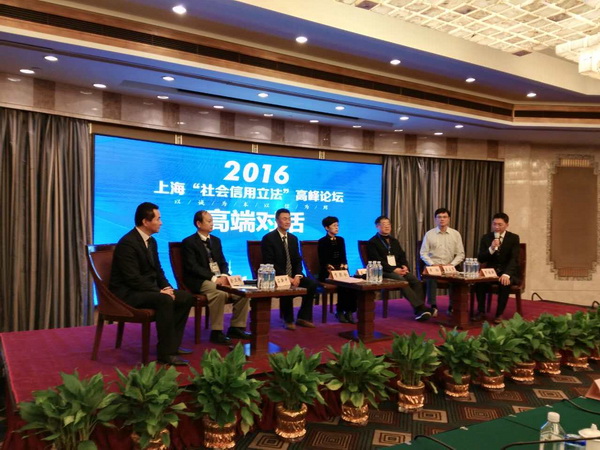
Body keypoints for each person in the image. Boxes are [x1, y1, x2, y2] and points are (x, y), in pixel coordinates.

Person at [109, 202, 195, 366]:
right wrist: (159, 291)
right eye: (158, 219)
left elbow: (158, 270)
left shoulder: (152, 242)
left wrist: (167, 287)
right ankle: (166, 353)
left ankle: (172, 344)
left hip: (146, 289)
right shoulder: (128, 243)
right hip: (128, 292)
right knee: (164, 299)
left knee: (185, 297)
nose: (161, 223)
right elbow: (132, 278)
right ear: (145, 221)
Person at [181, 210, 251, 345]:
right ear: (199, 224)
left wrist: (224, 275)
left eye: (212, 221)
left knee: (242, 292)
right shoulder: (189, 242)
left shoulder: (216, 241)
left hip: (219, 278)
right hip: (199, 280)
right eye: (209, 221)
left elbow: (223, 262)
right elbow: (192, 267)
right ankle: (216, 332)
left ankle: (236, 327)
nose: (212, 224)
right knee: (219, 294)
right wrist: (214, 279)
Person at [367, 215, 432, 321]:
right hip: (383, 271)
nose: (387, 226)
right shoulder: (372, 242)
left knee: (415, 281)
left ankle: (419, 310)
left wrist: (404, 266)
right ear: (377, 226)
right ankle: (420, 308)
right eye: (384, 224)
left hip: (398, 270)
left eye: (388, 224)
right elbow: (377, 261)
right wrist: (394, 270)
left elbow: (402, 256)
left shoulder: (394, 241)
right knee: (401, 281)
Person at [261, 208, 318, 330]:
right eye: (284, 219)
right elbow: (269, 262)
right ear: (277, 220)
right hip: (276, 276)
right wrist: (287, 277)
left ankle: (303, 317)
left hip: (293, 275)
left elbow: (297, 259)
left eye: (289, 219)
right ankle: (288, 319)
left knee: (312, 284)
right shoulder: (269, 238)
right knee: (286, 285)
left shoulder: (293, 238)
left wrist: (297, 275)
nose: (287, 221)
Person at [474, 212, 521, 324]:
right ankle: (481, 311)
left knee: (504, 283)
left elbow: (514, 259)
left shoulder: (513, 238)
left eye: (500, 224)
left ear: (507, 225)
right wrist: (491, 248)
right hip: (490, 272)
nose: (496, 227)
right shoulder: (486, 237)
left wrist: (507, 274)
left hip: (507, 272)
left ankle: (499, 314)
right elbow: (481, 258)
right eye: (494, 224)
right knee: (479, 283)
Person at [420, 208, 465, 315]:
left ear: (449, 219)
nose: (442, 219)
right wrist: (433, 264)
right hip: (434, 266)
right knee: (431, 277)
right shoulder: (429, 234)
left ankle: (452, 306)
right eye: (439, 217)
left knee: (456, 278)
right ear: (435, 219)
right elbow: (423, 253)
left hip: (450, 266)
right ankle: (433, 306)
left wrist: (451, 264)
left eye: (444, 217)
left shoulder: (455, 234)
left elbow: (461, 254)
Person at [317, 216, 357, 324]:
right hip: (327, 272)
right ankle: (339, 311)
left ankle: (349, 311)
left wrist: (344, 265)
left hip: (341, 271)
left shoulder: (341, 240)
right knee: (343, 285)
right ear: (326, 228)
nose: (337, 227)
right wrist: (330, 268)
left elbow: (344, 256)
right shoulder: (322, 241)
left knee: (353, 284)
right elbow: (322, 260)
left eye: (337, 225)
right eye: (334, 225)